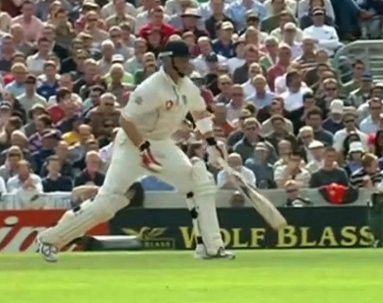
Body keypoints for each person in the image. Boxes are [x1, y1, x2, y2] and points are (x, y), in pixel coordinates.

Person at [37, 41, 235, 262]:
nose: (186, 65)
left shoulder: (188, 86)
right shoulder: (151, 88)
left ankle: (210, 247)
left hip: (161, 143)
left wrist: (211, 143)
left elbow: (200, 113)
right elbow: (126, 120)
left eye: (187, 60)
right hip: (132, 145)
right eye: (181, 60)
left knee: (200, 183)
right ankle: (49, 240)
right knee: (107, 205)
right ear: (167, 61)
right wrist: (143, 148)